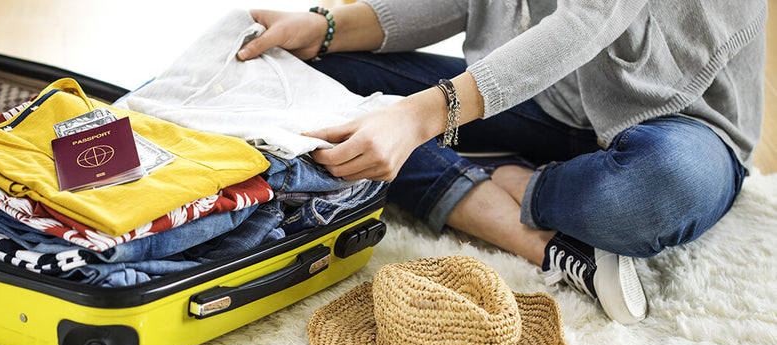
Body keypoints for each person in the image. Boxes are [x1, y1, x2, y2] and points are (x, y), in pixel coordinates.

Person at [235, 0, 767, 325]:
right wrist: (326, 27)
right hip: (547, 98)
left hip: (681, 126)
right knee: (318, 78)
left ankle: (514, 176)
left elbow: (589, 19)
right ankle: (537, 238)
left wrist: (423, 117)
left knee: (652, 194)